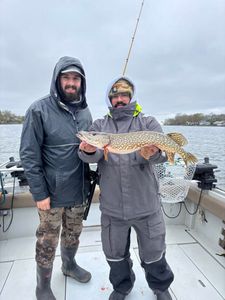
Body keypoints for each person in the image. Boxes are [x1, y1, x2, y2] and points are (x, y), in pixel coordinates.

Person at [78, 77, 174, 300]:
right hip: (113, 208)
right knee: (114, 254)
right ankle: (122, 287)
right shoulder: (100, 127)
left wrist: (154, 153)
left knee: (154, 253)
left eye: (124, 95)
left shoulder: (148, 123)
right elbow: (89, 156)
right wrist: (89, 148)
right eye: (114, 96)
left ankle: (160, 287)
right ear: (109, 99)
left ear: (131, 97)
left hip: (146, 205)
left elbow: (161, 157)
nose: (119, 99)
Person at [20, 56, 92, 300]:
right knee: (47, 240)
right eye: (66, 78)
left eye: (76, 79)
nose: (71, 83)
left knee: (74, 233)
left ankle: (69, 265)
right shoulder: (38, 109)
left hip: (78, 190)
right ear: (57, 80)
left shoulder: (85, 112)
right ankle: (43, 285)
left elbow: (90, 151)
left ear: (82, 83)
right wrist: (39, 193)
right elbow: (29, 155)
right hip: (51, 193)